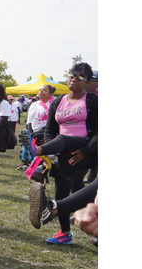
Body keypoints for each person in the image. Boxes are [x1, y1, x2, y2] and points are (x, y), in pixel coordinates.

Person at [28, 63, 98, 244]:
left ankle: (37, 151)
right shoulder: (59, 102)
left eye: (79, 77)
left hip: (86, 148)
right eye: (72, 76)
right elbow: (50, 130)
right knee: (63, 190)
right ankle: (65, 233)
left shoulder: (92, 101)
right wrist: (53, 153)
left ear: (87, 82)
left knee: (63, 139)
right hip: (63, 151)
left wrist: (85, 150)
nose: (74, 79)